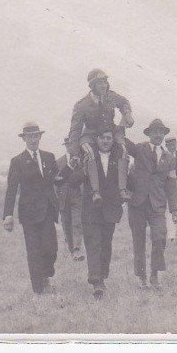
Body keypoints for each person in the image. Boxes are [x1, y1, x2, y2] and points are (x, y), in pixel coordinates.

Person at [2, 121, 60, 294]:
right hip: (29, 214)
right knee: (34, 251)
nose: (33, 140)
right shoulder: (17, 161)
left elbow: (58, 180)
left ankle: (45, 275)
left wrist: (72, 168)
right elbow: (11, 189)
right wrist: (8, 215)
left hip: (48, 212)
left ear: (40, 137)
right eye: (30, 137)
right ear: (24, 139)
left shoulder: (49, 157)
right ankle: (38, 290)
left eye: (36, 136)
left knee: (51, 249)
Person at [124, 119, 177, 289]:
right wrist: (119, 124)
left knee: (160, 236)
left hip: (157, 205)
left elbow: (171, 185)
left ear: (164, 135)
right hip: (137, 204)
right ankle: (142, 278)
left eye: (161, 132)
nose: (157, 135)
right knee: (138, 242)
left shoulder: (169, 158)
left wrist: (174, 209)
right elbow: (125, 142)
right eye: (154, 132)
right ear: (148, 134)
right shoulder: (140, 149)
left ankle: (155, 274)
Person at [68, 68, 133, 204]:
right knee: (90, 153)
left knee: (123, 150)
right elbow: (75, 130)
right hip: (91, 134)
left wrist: (127, 114)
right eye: (99, 83)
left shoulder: (111, 96)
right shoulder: (82, 105)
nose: (104, 85)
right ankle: (95, 192)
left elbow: (124, 102)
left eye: (105, 81)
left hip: (111, 132)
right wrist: (74, 153)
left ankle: (122, 189)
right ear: (92, 85)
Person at [77, 126, 124, 299]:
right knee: (93, 244)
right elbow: (73, 180)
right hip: (91, 210)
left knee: (106, 245)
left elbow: (126, 181)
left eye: (109, 138)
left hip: (110, 210)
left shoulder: (119, 158)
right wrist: (82, 170)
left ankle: (102, 277)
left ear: (113, 140)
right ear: (96, 139)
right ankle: (96, 282)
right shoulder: (87, 156)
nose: (106, 141)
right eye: (102, 137)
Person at [54, 137, 85, 262]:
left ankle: (77, 249)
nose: (70, 147)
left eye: (72, 144)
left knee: (77, 222)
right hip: (63, 197)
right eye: (67, 145)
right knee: (66, 224)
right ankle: (72, 250)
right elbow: (56, 181)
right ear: (65, 146)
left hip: (77, 195)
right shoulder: (58, 162)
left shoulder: (81, 160)